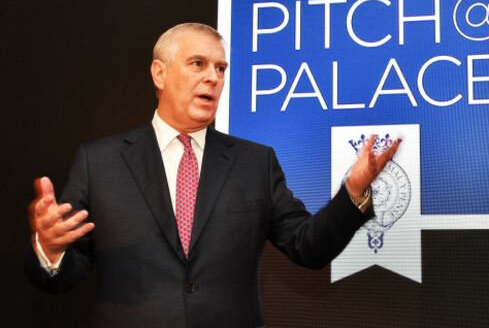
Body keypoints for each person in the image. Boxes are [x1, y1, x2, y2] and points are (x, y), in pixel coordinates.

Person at [25, 23, 401, 327]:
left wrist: (353, 191)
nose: (213, 77)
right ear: (159, 73)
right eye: (198, 64)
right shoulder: (100, 162)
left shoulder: (255, 162)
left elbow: (309, 247)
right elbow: (65, 273)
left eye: (220, 68)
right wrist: (50, 249)